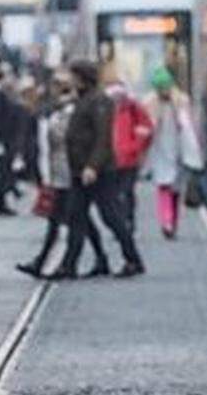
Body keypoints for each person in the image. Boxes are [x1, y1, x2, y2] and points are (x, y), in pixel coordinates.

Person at [49, 61, 145, 280]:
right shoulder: (83, 99)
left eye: (73, 76)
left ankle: (133, 259)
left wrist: (93, 166)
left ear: (82, 78)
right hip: (79, 171)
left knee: (111, 216)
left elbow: (103, 138)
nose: (69, 80)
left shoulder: (99, 101)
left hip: (98, 172)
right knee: (76, 216)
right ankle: (69, 265)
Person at [16, 73, 109, 279]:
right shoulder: (55, 110)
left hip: (70, 172)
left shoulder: (74, 110)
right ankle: (95, 259)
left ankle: (61, 263)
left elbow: (67, 138)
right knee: (73, 219)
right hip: (60, 173)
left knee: (67, 219)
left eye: (60, 87)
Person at [143, 66, 203, 239]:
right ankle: (166, 222)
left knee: (175, 190)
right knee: (163, 187)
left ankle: (172, 222)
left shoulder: (181, 101)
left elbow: (189, 127)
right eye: (160, 88)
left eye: (165, 87)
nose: (163, 91)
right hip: (160, 149)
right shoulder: (150, 103)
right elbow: (148, 127)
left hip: (180, 150)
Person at [103, 64, 153, 232]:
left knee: (126, 191)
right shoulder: (102, 109)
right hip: (110, 159)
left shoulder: (133, 108)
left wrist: (136, 146)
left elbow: (146, 128)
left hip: (129, 158)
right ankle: (121, 219)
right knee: (114, 194)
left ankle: (128, 218)